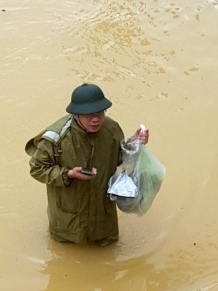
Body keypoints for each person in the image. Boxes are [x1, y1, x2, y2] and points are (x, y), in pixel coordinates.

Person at [25, 83, 149, 245]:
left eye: (100, 112)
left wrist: (134, 143)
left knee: (109, 256)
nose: (96, 119)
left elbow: (121, 160)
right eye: (89, 114)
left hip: (103, 220)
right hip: (67, 223)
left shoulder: (112, 129)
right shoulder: (56, 138)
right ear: (76, 115)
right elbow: (37, 169)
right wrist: (68, 174)